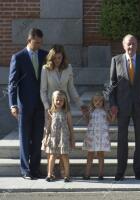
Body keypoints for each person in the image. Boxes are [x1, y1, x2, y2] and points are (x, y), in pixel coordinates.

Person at [109, 34, 140, 181]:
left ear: (137, 45)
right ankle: (120, 171)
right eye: (128, 44)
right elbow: (112, 85)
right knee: (122, 140)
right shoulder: (116, 60)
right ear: (123, 45)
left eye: (133, 43)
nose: (131, 47)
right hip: (122, 106)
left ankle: (139, 170)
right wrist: (113, 104)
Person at [40, 44, 87, 178]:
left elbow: (71, 89)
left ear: (63, 57)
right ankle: (50, 172)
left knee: (63, 140)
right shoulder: (45, 69)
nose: (57, 61)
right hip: (50, 109)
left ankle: (63, 171)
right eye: (55, 58)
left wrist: (81, 104)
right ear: (51, 58)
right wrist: (46, 106)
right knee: (51, 140)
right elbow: (43, 91)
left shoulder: (68, 68)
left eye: (59, 58)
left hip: (65, 108)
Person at [8, 28, 48, 179]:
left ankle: (35, 169)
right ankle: (25, 170)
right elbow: (12, 84)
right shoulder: (18, 57)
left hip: (40, 104)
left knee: (38, 138)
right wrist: (13, 104)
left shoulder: (44, 55)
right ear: (29, 40)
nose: (39, 45)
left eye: (40, 42)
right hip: (24, 106)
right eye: (36, 42)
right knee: (25, 138)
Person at [42, 90, 75, 182]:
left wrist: (72, 139)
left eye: (61, 100)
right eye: (57, 100)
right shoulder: (51, 112)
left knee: (64, 156)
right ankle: (49, 174)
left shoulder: (67, 112)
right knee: (52, 156)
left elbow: (71, 127)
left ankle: (67, 175)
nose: (59, 102)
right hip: (53, 138)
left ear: (65, 101)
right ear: (53, 100)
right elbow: (48, 127)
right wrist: (45, 138)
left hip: (63, 138)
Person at [82, 93, 115, 180]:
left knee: (101, 154)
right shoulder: (91, 111)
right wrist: (84, 113)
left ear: (103, 102)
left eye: (100, 101)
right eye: (96, 101)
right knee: (90, 154)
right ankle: (87, 174)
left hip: (101, 136)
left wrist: (114, 114)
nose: (98, 102)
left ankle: (101, 174)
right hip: (92, 136)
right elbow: (87, 121)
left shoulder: (105, 111)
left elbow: (111, 120)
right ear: (92, 102)